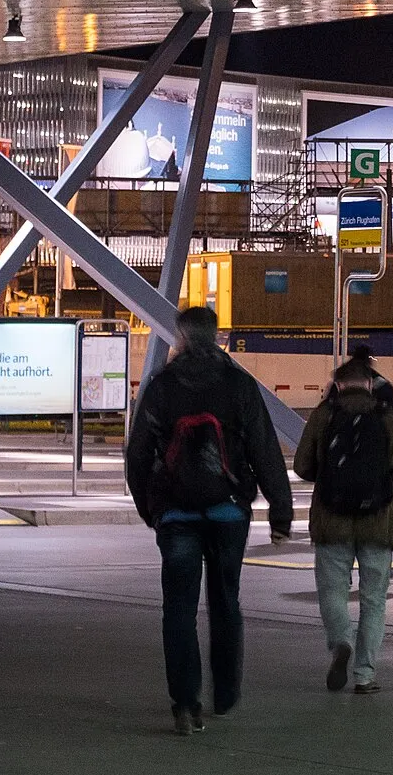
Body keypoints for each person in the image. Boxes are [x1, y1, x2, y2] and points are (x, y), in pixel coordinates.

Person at [125, 306, 293, 737]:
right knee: (225, 601)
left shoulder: (161, 387)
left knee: (179, 608)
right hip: (228, 511)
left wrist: (152, 509)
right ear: (216, 336)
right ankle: (226, 692)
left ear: (179, 338)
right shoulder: (237, 384)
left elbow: (138, 455)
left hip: (176, 514)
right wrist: (280, 512)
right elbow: (264, 449)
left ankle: (185, 705)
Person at [295, 346, 393, 695]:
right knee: (374, 599)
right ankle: (364, 674)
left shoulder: (323, 415)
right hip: (378, 519)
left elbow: (302, 466)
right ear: (368, 383)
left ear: (338, 385)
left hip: (332, 519)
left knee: (333, 591)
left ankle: (340, 642)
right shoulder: (388, 416)